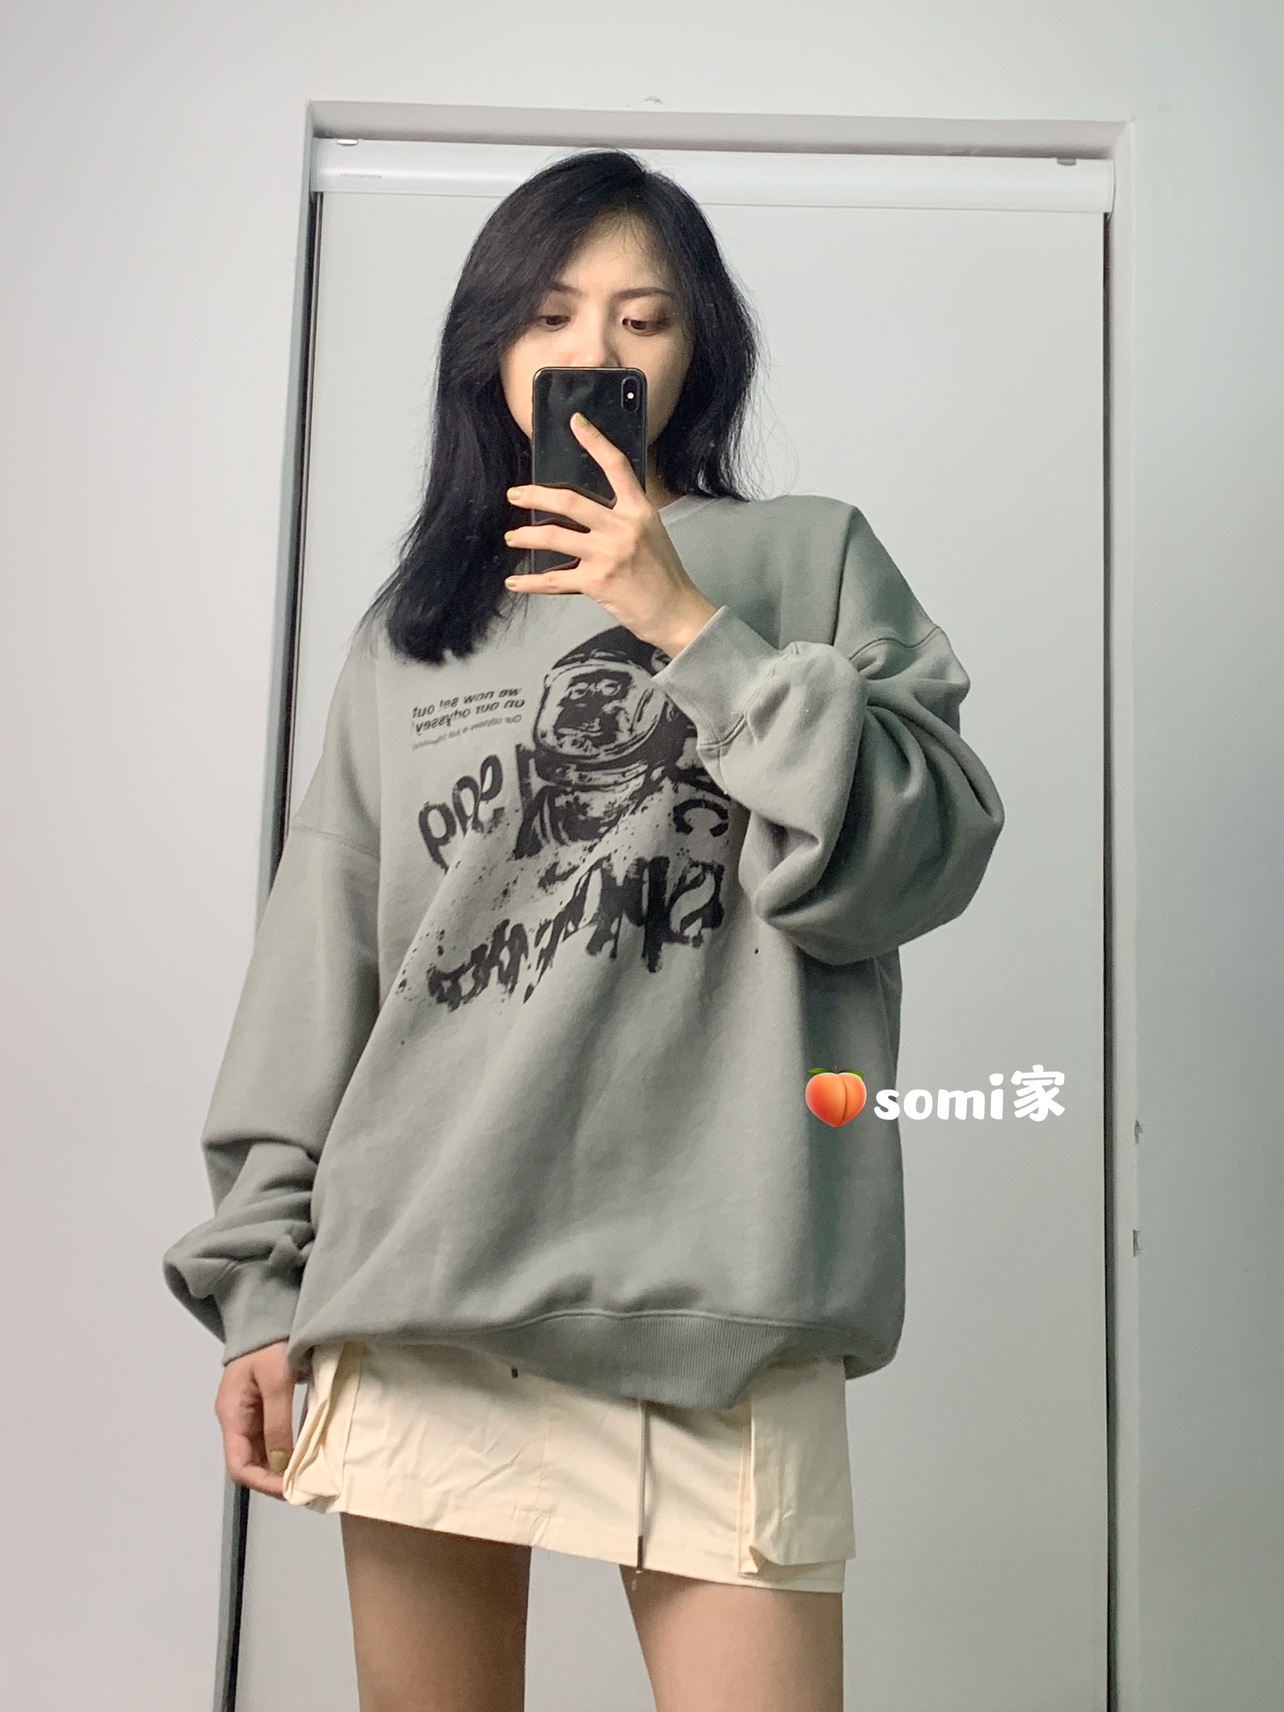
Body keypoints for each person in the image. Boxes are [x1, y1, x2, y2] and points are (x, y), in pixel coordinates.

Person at [165, 148, 1004, 1712]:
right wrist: (259, 1295)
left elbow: (921, 857)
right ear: (493, 348)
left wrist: (684, 619)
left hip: (721, 1299)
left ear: (696, 354)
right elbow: (320, 968)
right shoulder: (420, 631)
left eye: (644, 316)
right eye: (551, 314)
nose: (595, 350)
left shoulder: (807, 558)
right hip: (420, 1289)